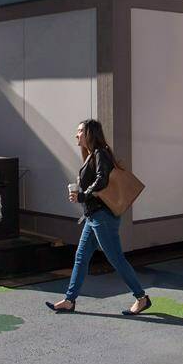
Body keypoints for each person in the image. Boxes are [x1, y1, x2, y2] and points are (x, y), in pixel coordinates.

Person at [47, 119, 151, 316]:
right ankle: (69, 300)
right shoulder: (91, 155)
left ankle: (141, 298)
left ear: (89, 133)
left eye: (79, 131)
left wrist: (83, 195)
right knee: (81, 257)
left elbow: (101, 180)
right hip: (93, 217)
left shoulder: (100, 153)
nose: (76, 135)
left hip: (102, 217)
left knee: (116, 259)